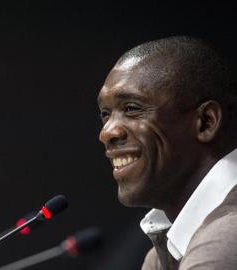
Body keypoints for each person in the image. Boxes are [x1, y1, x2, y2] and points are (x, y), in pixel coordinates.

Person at [97, 36, 237, 269]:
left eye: (131, 108)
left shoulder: (225, 240)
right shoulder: (165, 249)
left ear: (206, 122)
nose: (106, 132)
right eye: (105, 114)